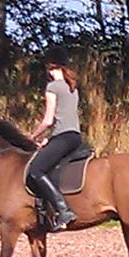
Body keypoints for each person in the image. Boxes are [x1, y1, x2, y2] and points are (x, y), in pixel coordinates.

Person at [27, 45, 82, 231]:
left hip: (64, 137)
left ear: (49, 66)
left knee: (35, 170)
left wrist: (33, 135)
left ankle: (63, 209)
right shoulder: (72, 87)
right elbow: (64, 121)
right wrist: (48, 141)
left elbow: (49, 120)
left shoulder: (52, 87)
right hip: (74, 136)